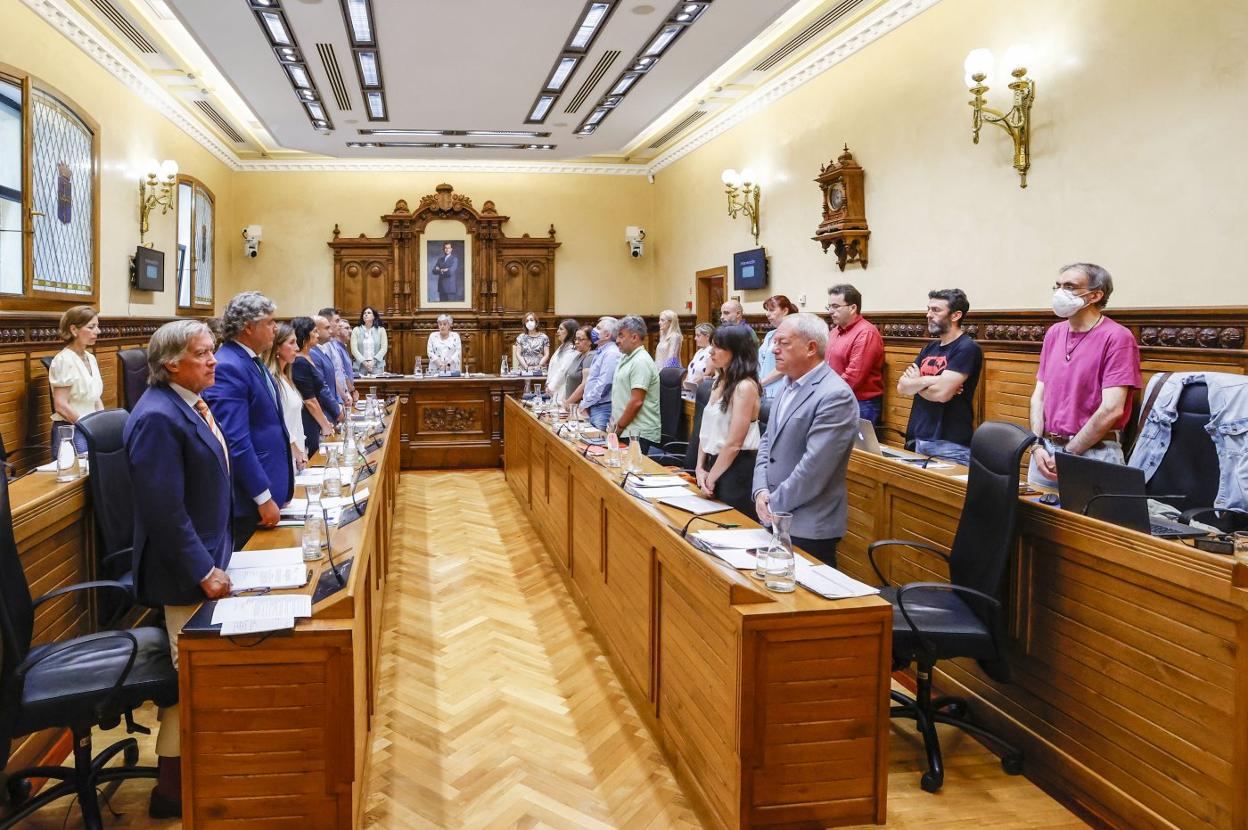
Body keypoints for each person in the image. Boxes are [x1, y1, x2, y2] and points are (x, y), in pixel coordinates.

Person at [124, 319, 232, 819]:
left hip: (208, 556)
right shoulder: (157, 418)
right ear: (171, 364)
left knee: (195, 675)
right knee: (189, 676)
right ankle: (172, 791)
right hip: (186, 572)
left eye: (212, 351)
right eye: (203, 353)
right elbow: (164, 511)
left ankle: (193, 775)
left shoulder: (189, 404)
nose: (213, 361)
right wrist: (203, 570)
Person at [752, 313, 859, 566]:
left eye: (783, 343)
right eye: (774, 342)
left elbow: (815, 468)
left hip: (809, 525)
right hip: (773, 513)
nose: (774, 349)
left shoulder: (835, 395)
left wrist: (773, 503)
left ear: (811, 348)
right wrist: (760, 490)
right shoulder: (787, 385)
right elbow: (767, 442)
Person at [1028, 263, 1141, 486]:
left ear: (1095, 295)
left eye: (1070, 287)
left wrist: (1069, 453)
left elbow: (1111, 409)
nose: (1060, 293)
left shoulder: (1117, 337)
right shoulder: (1054, 333)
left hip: (1094, 453)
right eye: (1058, 286)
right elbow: (1039, 397)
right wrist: (1036, 444)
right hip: (1046, 453)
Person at [201, 291, 293, 548]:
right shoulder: (229, 366)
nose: (276, 328)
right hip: (250, 500)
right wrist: (262, 497)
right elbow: (235, 441)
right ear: (248, 327)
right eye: (270, 322)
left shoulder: (252, 360)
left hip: (270, 487)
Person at [896, 289, 983, 466]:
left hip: (950, 444)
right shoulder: (929, 348)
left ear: (956, 315)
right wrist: (932, 380)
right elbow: (902, 387)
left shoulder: (967, 348)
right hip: (918, 438)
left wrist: (917, 384)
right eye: (928, 309)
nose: (928, 315)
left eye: (936, 310)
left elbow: (941, 394)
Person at [696, 325, 762, 519]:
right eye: (712, 345)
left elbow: (734, 443)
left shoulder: (745, 387)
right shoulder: (719, 381)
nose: (711, 351)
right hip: (714, 465)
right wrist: (700, 468)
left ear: (736, 351)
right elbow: (706, 430)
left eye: (718, 347)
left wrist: (711, 478)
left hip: (736, 470)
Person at [47, 305, 104, 457]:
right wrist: (86, 426)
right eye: (91, 327)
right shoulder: (64, 360)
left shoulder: (91, 358)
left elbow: (95, 398)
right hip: (72, 431)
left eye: (97, 326)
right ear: (74, 330)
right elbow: (61, 405)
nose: (98, 331)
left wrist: (103, 423)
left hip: (91, 428)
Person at [825, 283, 885, 424]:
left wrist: (825, 392)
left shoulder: (866, 333)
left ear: (853, 308)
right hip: (836, 398)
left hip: (860, 404)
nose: (830, 312)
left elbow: (854, 376)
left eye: (835, 306)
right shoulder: (835, 332)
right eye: (829, 307)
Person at [610, 315, 662, 453]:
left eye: (621, 336)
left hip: (638, 434)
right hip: (625, 430)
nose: (617, 340)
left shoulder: (641, 361)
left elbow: (636, 401)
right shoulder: (626, 358)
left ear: (634, 337)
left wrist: (619, 427)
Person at [291, 316, 337, 458]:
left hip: (315, 415)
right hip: (307, 417)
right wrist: (324, 424)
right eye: (315, 331)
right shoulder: (299, 361)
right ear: (305, 334)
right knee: (313, 455)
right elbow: (309, 400)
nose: (317, 335)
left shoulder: (309, 356)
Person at [265, 322, 308, 473]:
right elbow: (277, 422)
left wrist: (302, 450)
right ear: (277, 347)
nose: (297, 348)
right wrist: (296, 450)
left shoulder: (286, 376)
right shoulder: (272, 380)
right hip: (285, 454)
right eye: (291, 342)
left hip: (297, 455)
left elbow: (295, 421)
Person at [577, 316, 621, 429]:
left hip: (602, 408)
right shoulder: (601, 351)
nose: (594, 330)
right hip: (595, 405)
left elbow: (604, 384)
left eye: (598, 328)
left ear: (607, 335)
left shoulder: (611, 353)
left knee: (598, 438)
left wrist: (585, 403)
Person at [759, 294, 799, 400]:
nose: (767, 314)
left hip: (780, 391)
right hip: (763, 391)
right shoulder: (769, 335)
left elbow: (786, 366)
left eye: (771, 310)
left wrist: (760, 383)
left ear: (785, 311)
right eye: (767, 310)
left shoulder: (793, 334)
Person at [318, 306, 356, 405]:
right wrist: (344, 396)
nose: (340, 324)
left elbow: (341, 371)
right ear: (327, 323)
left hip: (341, 397)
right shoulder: (324, 345)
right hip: (334, 399)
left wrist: (347, 392)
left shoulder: (333, 344)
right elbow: (331, 374)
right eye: (337, 321)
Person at [311, 315, 343, 424]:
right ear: (316, 330)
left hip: (332, 410)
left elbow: (332, 380)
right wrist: (336, 409)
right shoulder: (313, 353)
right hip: (325, 412)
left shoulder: (321, 350)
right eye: (327, 328)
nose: (331, 331)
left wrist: (339, 403)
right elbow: (321, 386)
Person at [544, 318, 579, 400]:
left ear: (569, 332)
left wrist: (551, 386)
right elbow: (553, 366)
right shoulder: (563, 346)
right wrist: (548, 383)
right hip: (554, 388)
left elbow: (563, 370)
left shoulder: (572, 349)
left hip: (562, 388)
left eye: (561, 329)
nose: (557, 331)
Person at [563, 324, 597, 403]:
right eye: (575, 339)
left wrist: (568, 402)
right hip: (571, 404)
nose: (576, 342)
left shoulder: (590, 356)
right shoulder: (579, 355)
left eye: (580, 339)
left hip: (579, 405)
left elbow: (585, 384)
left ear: (590, 341)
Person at [351, 306, 388, 375]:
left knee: (377, 382)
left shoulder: (381, 330)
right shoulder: (356, 330)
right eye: (364, 313)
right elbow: (354, 350)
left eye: (369, 313)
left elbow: (384, 349)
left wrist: (373, 362)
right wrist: (364, 362)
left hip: (376, 365)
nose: (366, 314)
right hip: (360, 365)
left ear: (374, 316)